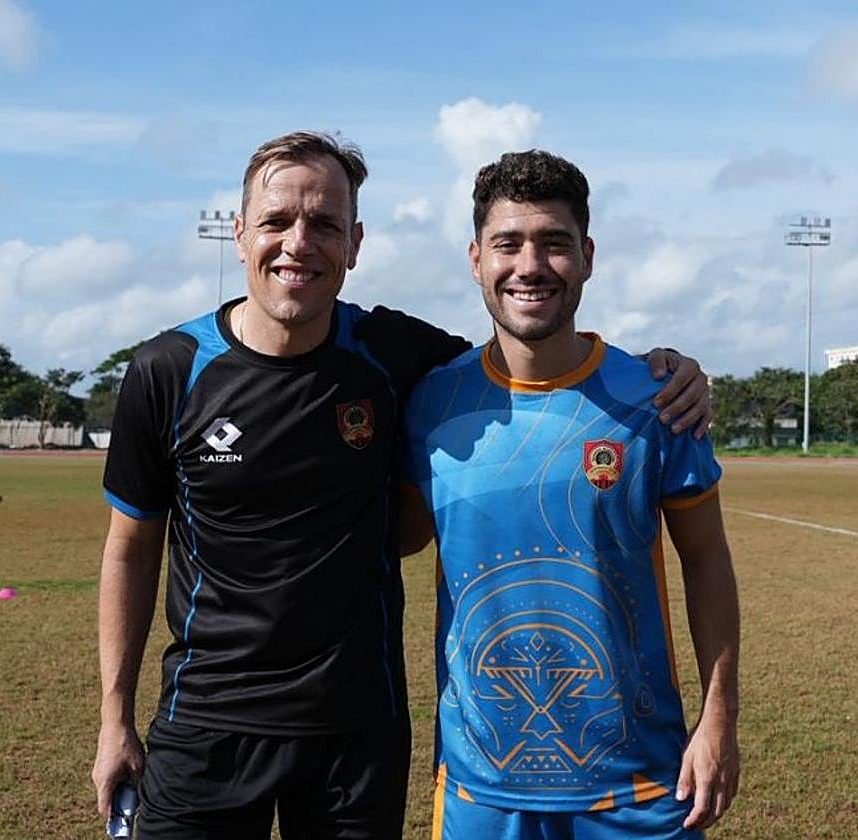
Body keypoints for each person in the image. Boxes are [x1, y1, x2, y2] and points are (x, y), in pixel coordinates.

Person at [91, 131, 714, 839]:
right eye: (276, 222)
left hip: (357, 734)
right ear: (239, 235)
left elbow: (527, 347)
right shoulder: (168, 371)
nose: (299, 243)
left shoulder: (395, 357)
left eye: (324, 224)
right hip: (207, 725)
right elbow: (130, 551)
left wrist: (666, 370)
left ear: (354, 243)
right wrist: (114, 718)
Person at [400, 150, 740, 839]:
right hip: (481, 787)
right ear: (475, 258)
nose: (530, 265)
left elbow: (707, 564)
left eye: (553, 243)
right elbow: (393, 539)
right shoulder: (433, 401)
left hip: (641, 784)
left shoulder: (657, 399)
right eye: (508, 243)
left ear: (586, 255)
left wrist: (719, 720)